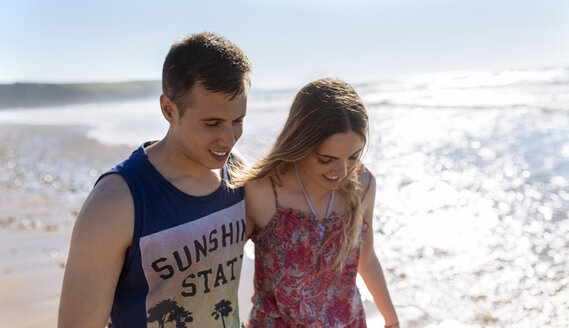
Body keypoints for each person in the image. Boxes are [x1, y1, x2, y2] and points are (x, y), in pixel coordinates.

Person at [58, 32, 252, 328]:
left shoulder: (241, 178)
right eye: (212, 123)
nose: (228, 139)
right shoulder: (115, 202)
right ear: (168, 109)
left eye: (237, 120)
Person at [236, 78, 399, 327]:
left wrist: (392, 321)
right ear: (300, 143)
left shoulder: (363, 185)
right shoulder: (263, 191)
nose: (342, 171)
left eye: (353, 157)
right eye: (326, 159)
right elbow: (224, 269)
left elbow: (366, 259)